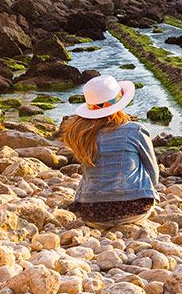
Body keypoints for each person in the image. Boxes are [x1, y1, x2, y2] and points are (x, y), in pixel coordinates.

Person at [61, 74, 159, 228]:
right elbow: (153, 175)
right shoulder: (136, 130)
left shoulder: (81, 135)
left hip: (92, 213)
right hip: (134, 209)